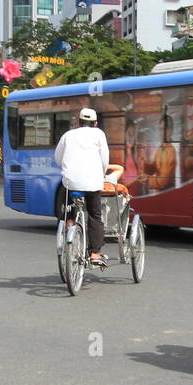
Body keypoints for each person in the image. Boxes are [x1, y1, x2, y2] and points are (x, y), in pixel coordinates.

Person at [53, 107, 110, 266]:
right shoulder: (99, 134)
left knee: (65, 201)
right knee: (94, 216)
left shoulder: (68, 135)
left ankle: (69, 222)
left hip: (71, 183)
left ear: (78, 122)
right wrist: (102, 173)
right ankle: (95, 253)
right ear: (95, 123)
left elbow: (58, 158)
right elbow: (104, 159)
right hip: (93, 183)